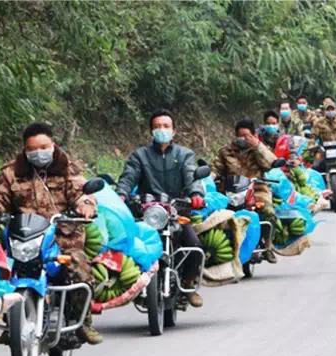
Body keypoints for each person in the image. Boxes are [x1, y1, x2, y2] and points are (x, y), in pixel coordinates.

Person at [0, 122, 102, 344]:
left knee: (80, 269)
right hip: (22, 239)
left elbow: (81, 192)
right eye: (33, 149)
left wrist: (86, 205)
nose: (39, 153)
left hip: (62, 239)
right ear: (25, 149)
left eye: (43, 147)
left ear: (52, 145)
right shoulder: (11, 172)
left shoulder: (67, 168)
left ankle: (83, 322)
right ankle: (12, 319)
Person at [116, 109, 206, 307]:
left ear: (174, 131)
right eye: (157, 127)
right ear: (151, 131)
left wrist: (196, 194)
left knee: (194, 246)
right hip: (148, 212)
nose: (161, 130)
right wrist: (121, 194)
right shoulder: (140, 156)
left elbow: (192, 176)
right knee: (129, 247)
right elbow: (128, 177)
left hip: (177, 210)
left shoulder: (185, 155)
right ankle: (135, 283)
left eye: (166, 126)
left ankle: (188, 283)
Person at [212, 118, 278, 263]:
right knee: (215, 215)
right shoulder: (226, 151)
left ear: (254, 135)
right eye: (240, 135)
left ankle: (268, 246)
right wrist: (209, 178)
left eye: (247, 136)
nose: (243, 139)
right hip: (230, 191)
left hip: (256, 189)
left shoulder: (260, 149)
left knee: (269, 212)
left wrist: (258, 146)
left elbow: (270, 163)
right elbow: (216, 168)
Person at [308, 99, 336, 174]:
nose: (330, 111)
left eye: (332, 109)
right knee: (315, 167)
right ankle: (316, 185)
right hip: (323, 150)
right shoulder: (319, 122)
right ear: (324, 111)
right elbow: (313, 136)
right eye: (328, 109)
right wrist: (311, 145)